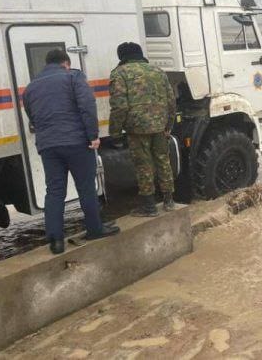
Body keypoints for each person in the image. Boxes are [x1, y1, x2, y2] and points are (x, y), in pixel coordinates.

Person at [23, 49, 119, 254]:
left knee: (55, 190)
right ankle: (94, 229)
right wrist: (93, 135)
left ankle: (56, 241)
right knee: (86, 186)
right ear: (66, 63)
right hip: (76, 142)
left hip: (48, 145)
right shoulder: (73, 77)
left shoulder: (31, 87)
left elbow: (31, 114)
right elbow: (87, 106)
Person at [109, 42, 176, 217]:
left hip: (137, 128)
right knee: (163, 160)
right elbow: (171, 101)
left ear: (121, 56)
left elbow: (119, 106)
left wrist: (115, 133)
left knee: (143, 165)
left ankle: (149, 207)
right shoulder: (158, 71)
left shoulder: (119, 74)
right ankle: (169, 200)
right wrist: (168, 125)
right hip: (160, 126)